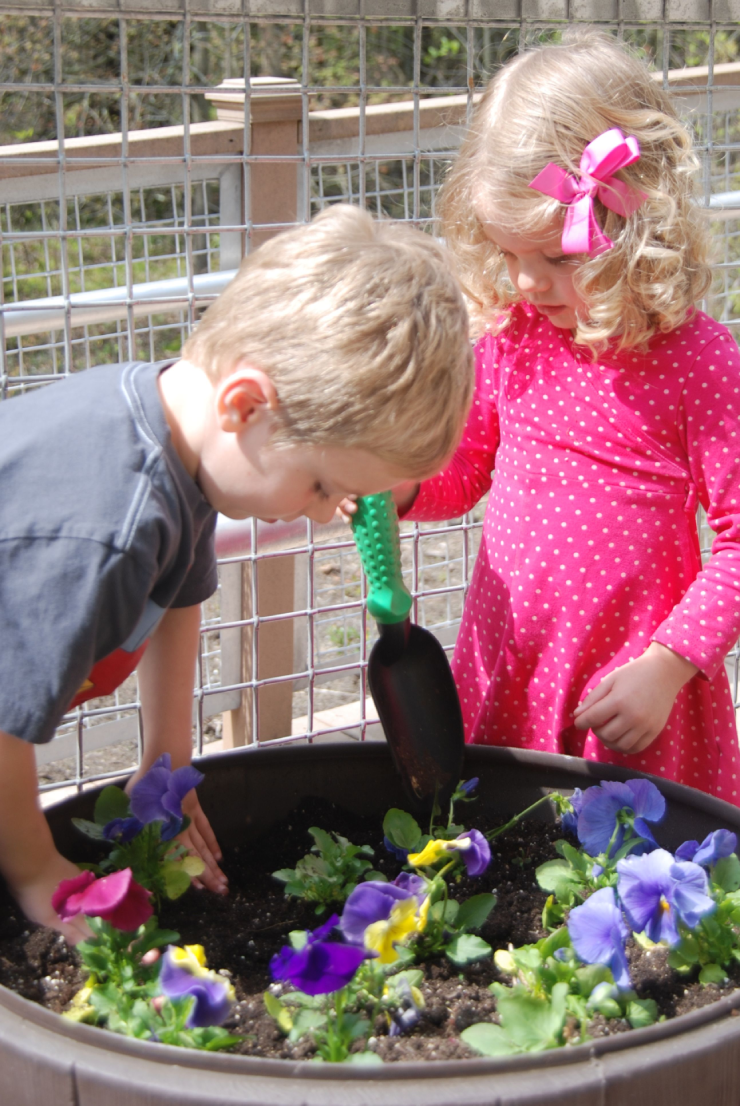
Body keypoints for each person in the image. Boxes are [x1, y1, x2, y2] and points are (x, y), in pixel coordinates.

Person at [0, 204, 474, 942]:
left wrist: (166, 768)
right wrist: (35, 869)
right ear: (246, 405)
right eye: (321, 485)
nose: (323, 515)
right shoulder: (112, 529)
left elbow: (178, 602)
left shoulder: (173, 443)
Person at [392, 31, 740, 804]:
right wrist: (402, 491)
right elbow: (464, 471)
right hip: (510, 669)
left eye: (557, 258)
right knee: (506, 875)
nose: (525, 281)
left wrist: (668, 666)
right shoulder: (515, 337)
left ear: (634, 228)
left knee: (630, 891)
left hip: (628, 697)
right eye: (507, 251)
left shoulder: (698, 362)